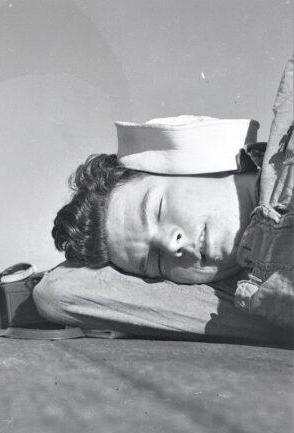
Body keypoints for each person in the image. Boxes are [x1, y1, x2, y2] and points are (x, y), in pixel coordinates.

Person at [34, 59, 293, 345]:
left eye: (157, 209)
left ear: (192, 162)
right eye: (157, 262)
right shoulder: (258, 300)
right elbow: (61, 292)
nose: (173, 245)